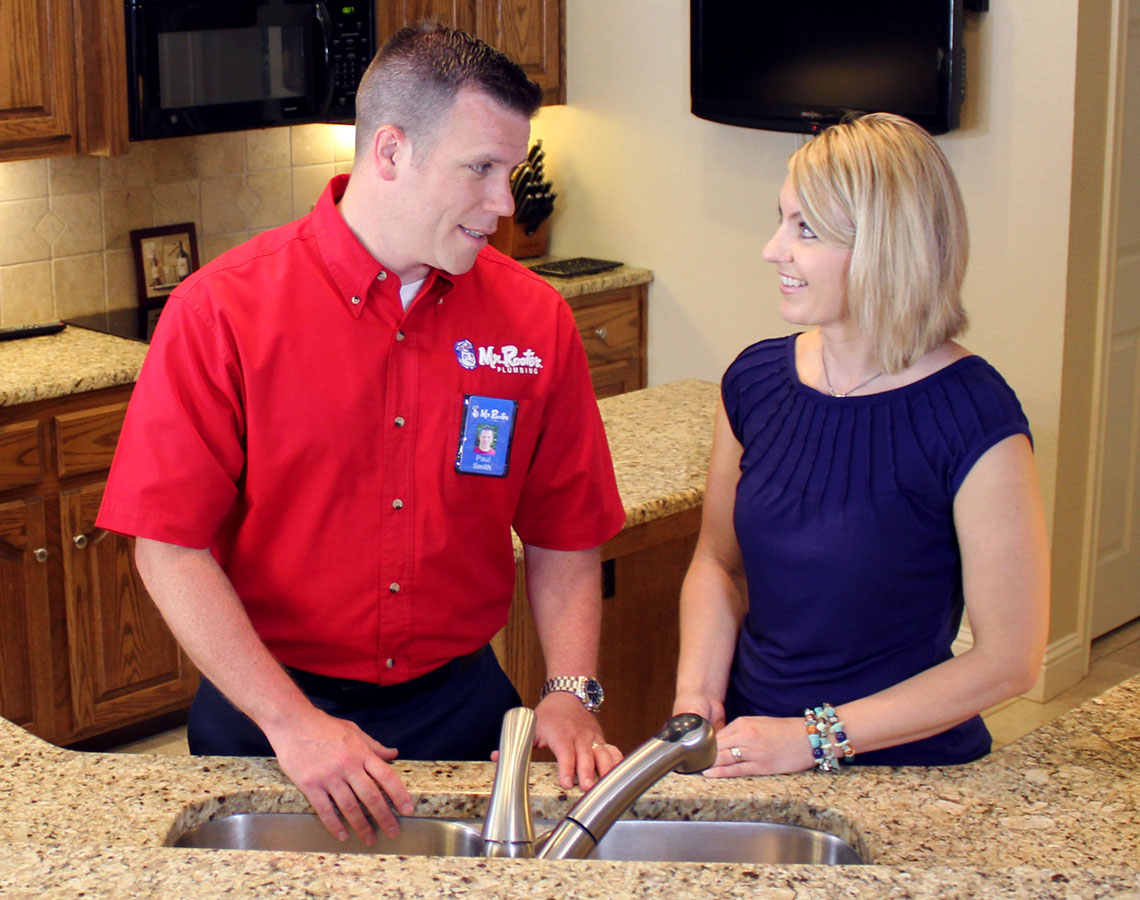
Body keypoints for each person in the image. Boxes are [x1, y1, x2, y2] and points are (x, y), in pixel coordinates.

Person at [97, 23, 626, 845]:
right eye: (480, 169)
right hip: (266, 719)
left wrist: (570, 689)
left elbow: (566, 530)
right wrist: (291, 721)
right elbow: (166, 547)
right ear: (390, 152)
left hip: (463, 711)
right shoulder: (221, 312)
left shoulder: (536, 319)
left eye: (509, 171)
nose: (503, 202)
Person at [672, 113, 1050, 774]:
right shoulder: (755, 382)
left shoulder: (974, 417)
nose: (772, 249)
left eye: (806, 229)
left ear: (886, 247)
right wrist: (697, 698)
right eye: (782, 219)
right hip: (752, 753)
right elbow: (719, 564)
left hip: (905, 769)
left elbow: (1008, 661)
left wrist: (810, 738)